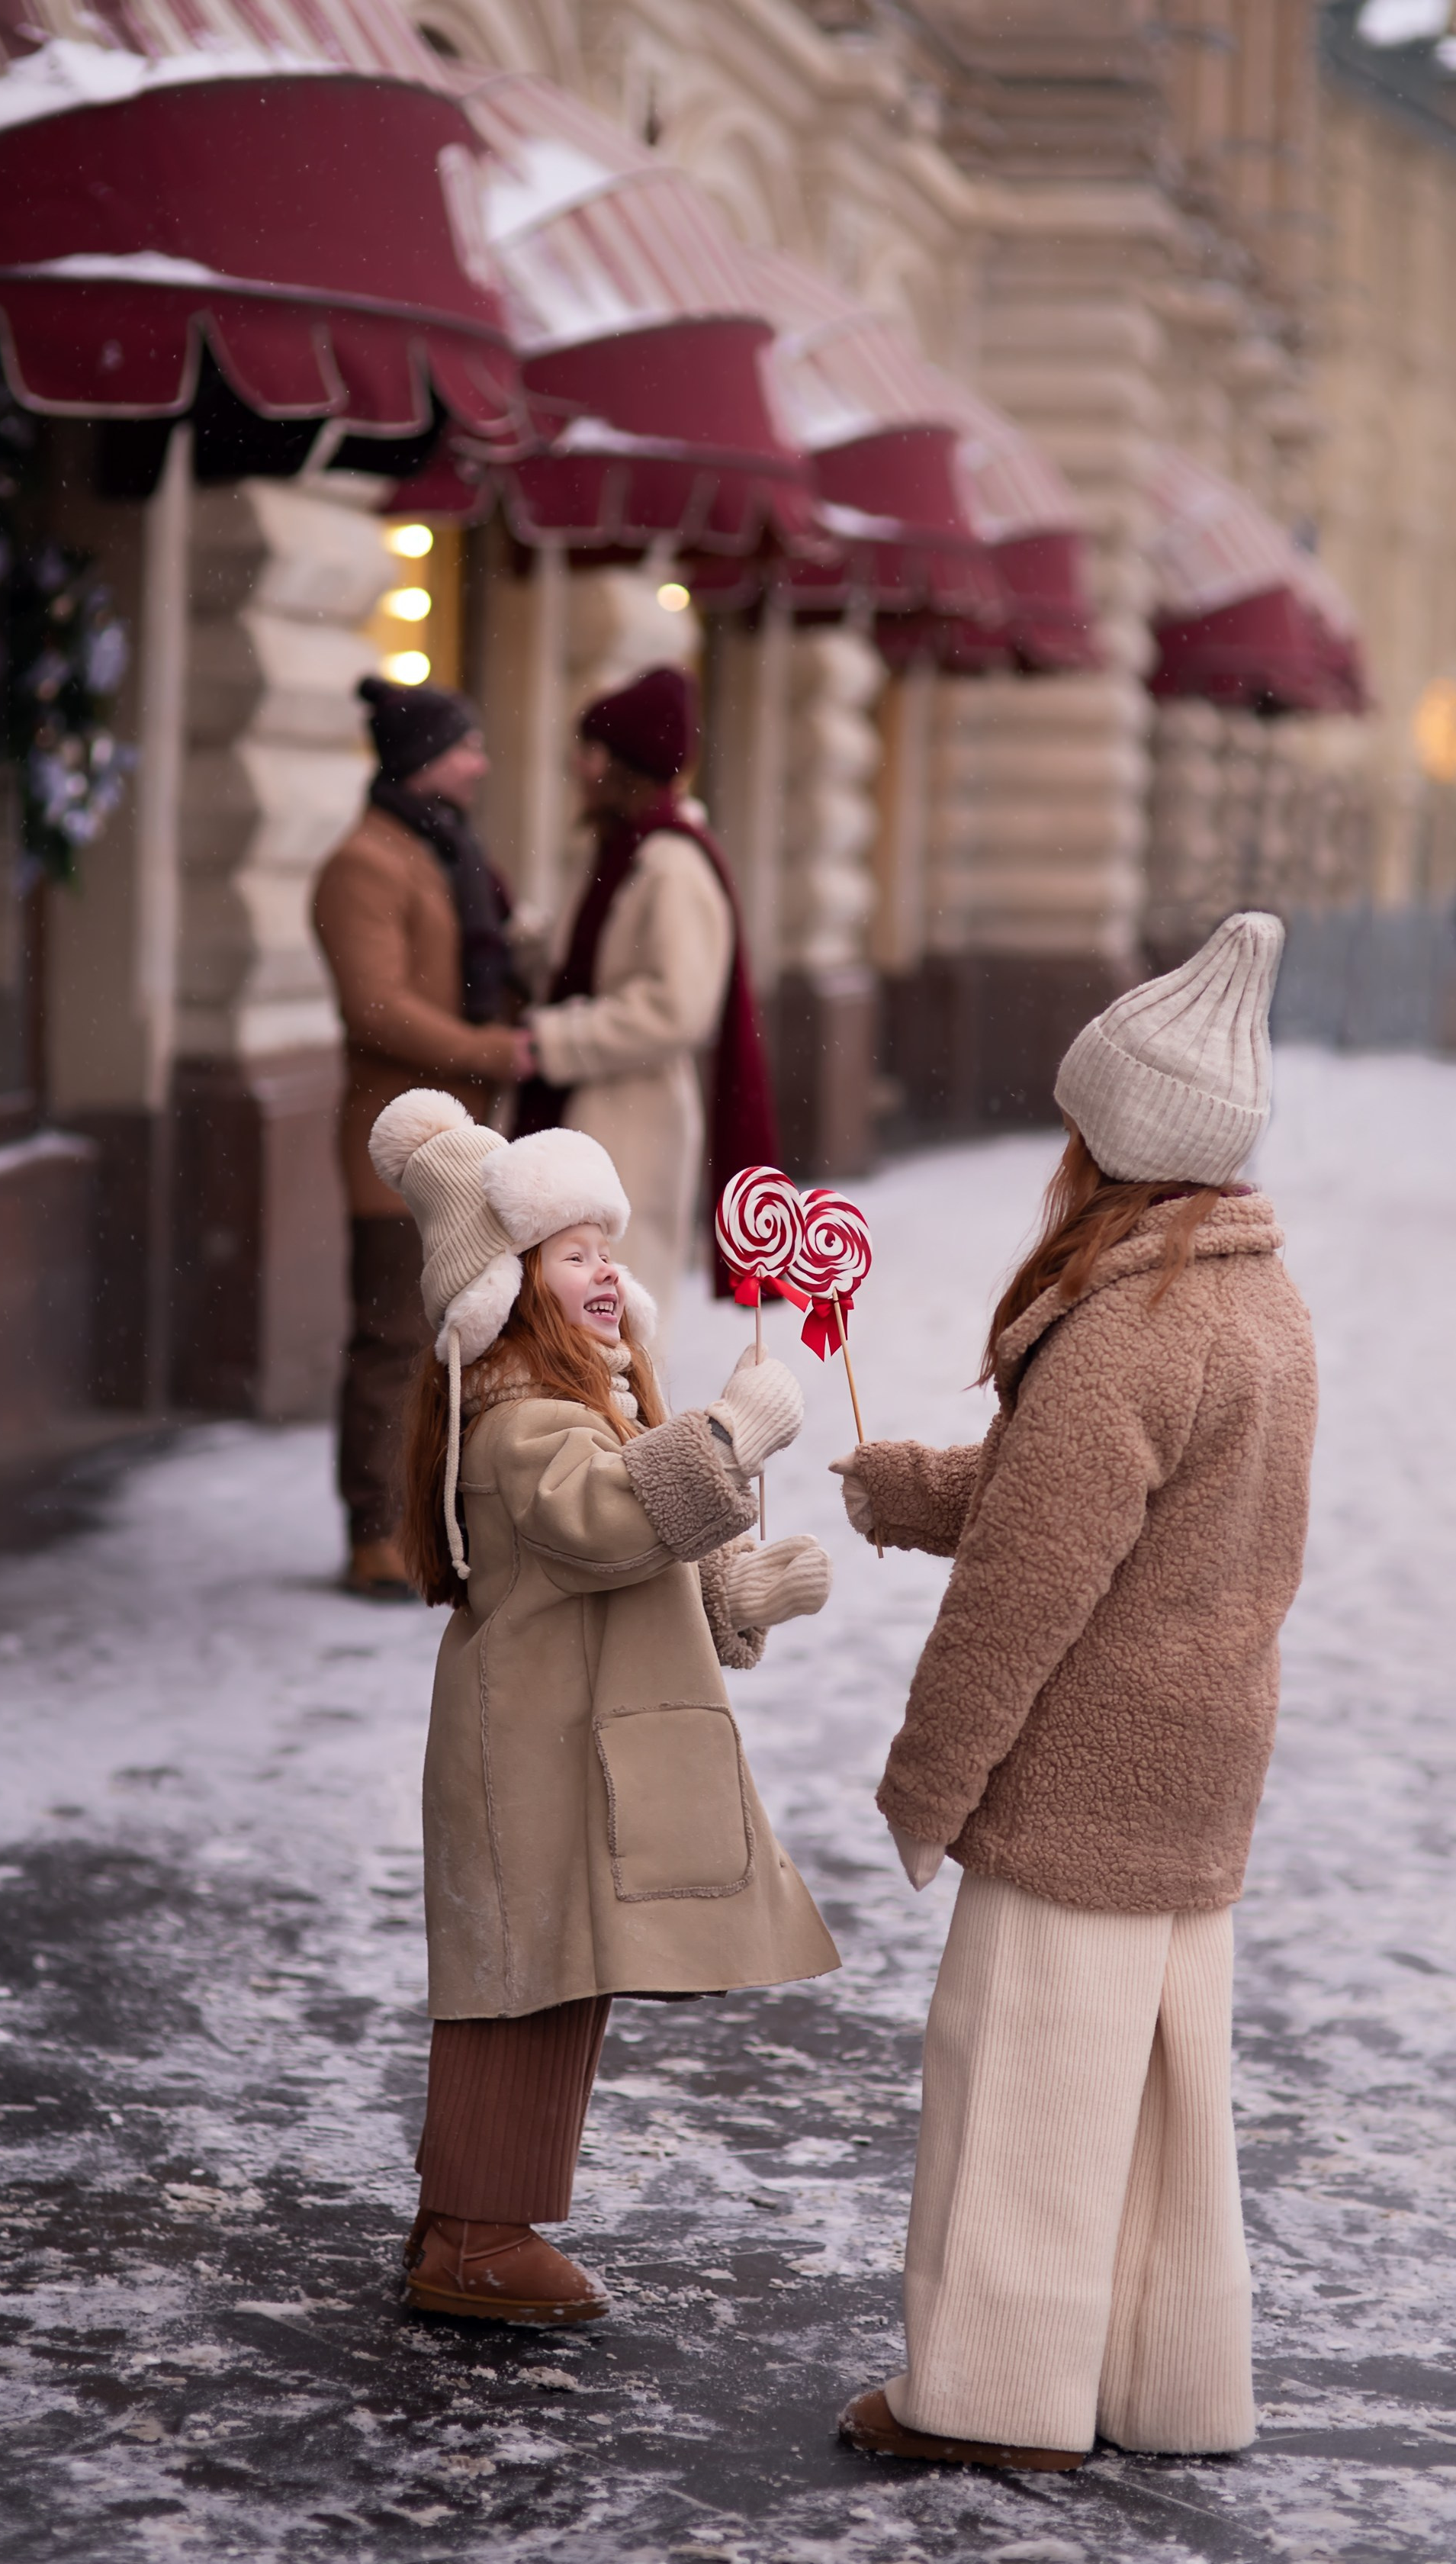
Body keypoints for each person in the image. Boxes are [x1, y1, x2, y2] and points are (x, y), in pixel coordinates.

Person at [829, 912, 1317, 2471]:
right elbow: (1097, 1508)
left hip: (1084, 1768)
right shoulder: (1258, 1308)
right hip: (1200, 1762)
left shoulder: (1123, 1333)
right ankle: (1162, 2381)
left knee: (1021, 2079)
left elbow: (1025, 1596)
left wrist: (927, 1784)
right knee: (1160, 2103)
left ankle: (985, 2394)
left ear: (1111, 1140)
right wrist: (915, 1486)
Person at [370, 1085, 839, 2323]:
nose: (603, 1270)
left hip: (569, 1748)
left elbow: (644, 1550)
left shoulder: (573, 1404)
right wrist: (733, 1434)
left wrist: (746, 1595)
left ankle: (465, 2208)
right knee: (520, 1978)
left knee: (552, 1976)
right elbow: (611, 1522)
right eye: (573, 1252)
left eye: (606, 1249)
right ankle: (474, 2234)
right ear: (510, 1284)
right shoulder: (521, 1423)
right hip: (529, 1753)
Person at [312, 677, 522, 1599]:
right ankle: (373, 1530)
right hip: (394, 1146)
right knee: (394, 1335)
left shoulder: (444, 849)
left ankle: (432, 1522)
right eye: (465, 745)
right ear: (424, 757)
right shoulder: (365, 863)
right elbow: (378, 1007)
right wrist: (491, 1048)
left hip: (465, 1136)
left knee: (454, 1336)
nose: (480, 762)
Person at [515, 664, 779, 1349]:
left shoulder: (669, 863)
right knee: (565, 1322)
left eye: (592, 750)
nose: (578, 765)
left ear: (623, 764)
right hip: (591, 1111)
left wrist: (552, 1039)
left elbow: (676, 1007)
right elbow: (591, 959)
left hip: (633, 1116)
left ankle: (621, 1457)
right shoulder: (619, 852)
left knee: (615, 1327)